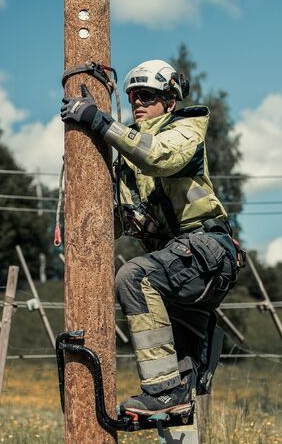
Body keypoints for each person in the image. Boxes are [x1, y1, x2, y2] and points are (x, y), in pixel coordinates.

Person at [61, 59, 242, 416]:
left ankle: (163, 392)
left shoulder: (185, 129)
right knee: (182, 373)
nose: (138, 103)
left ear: (170, 101)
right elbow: (116, 220)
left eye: (148, 96)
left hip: (206, 249)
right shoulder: (128, 161)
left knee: (134, 276)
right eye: (133, 97)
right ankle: (177, 400)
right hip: (179, 265)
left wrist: (98, 120)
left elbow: (159, 156)